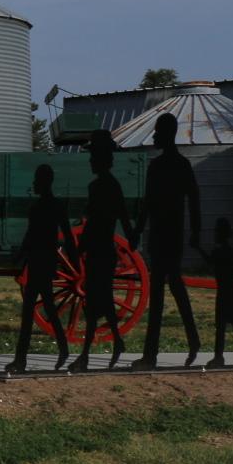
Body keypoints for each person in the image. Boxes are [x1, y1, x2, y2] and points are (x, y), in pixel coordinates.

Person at [131, 112, 202, 369]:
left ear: (167, 134)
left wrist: (138, 230)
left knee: (161, 293)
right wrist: (195, 231)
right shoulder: (179, 165)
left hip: (164, 235)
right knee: (174, 287)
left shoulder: (161, 166)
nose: (154, 136)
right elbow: (192, 199)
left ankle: (151, 355)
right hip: (170, 234)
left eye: (157, 132)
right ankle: (192, 339)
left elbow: (149, 203)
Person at [74, 130, 136, 371]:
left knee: (94, 302)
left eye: (93, 157)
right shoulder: (107, 185)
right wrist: (131, 237)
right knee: (102, 301)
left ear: (101, 159)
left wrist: (80, 246)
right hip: (102, 249)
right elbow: (121, 215)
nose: (90, 161)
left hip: (100, 250)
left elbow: (103, 219)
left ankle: (86, 356)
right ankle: (116, 343)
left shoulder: (102, 186)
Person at [7, 163, 73, 373]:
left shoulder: (39, 208)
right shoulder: (56, 206)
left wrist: (19, 257)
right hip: (44, 261)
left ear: (44, 182)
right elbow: (68, 235)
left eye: (37, 180)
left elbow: (30, 236)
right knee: (45, 309)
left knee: (31, 312)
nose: (34, 184)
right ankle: (61, 348)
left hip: (39, 262)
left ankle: (22, 359)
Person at [197, 217, 233, 367]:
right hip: (232, 289)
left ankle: (219, 356)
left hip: (223, 290)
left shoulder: (217, 252)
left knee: (220, 324)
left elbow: (208, 262)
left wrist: (199, 248)